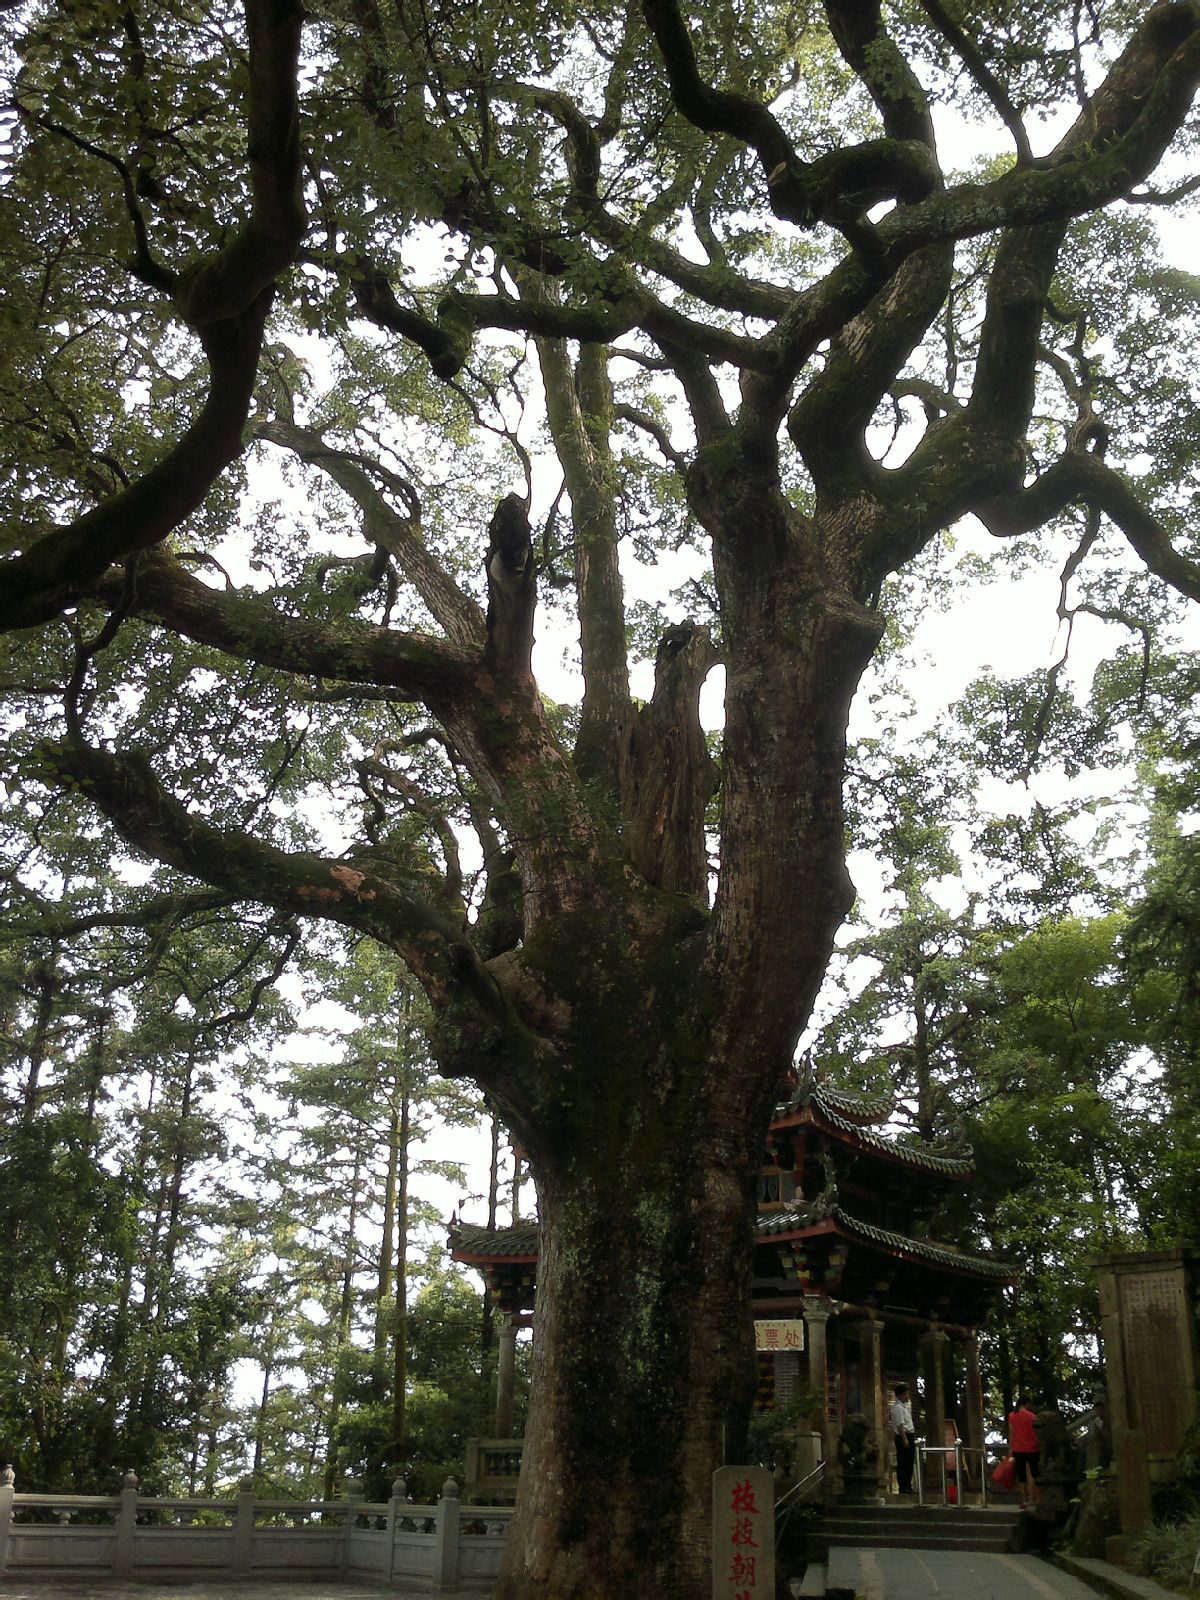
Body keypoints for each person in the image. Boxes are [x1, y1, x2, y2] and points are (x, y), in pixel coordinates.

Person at [1007, 1395, 1040, 1509]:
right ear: (1026, 1403)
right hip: (1032, 1448)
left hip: (1018, 1448)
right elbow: (1037, 1433)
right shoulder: (1033, 1417)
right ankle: (1032, 1499)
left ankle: (1024, 1500)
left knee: (1021, 1476)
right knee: (1032, 1474)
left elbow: (1012, 1433)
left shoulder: (1012, 1416)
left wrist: (1011, 1448)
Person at [889, 1382, 916, 1495]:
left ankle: (907, 1485)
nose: (907, 1396)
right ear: (900, 1395)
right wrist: (904, 1439)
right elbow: (900, 1425)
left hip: (909, 1434)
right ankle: (903, 1486)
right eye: (905, 1394)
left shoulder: (904, 1406)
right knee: (903, 1461)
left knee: (909, 1462)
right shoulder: (898, 1408)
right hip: (903, 1436)